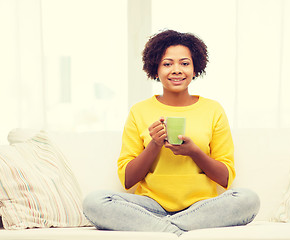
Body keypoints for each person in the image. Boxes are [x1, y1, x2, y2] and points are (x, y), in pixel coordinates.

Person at [83, 29, 260, 236]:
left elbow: (225, 178)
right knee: (94, 202)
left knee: (248, 199)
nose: (176, 70)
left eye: (184, 63)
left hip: (200, 207)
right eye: (167, 64)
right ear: (155, 69)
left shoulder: (213, 110)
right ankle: (178, 231)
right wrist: (154, 145)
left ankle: (162, 230)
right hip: (150, 207)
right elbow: (128, 180)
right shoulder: (139, 111)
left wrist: (194, 152)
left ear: (195, 69)